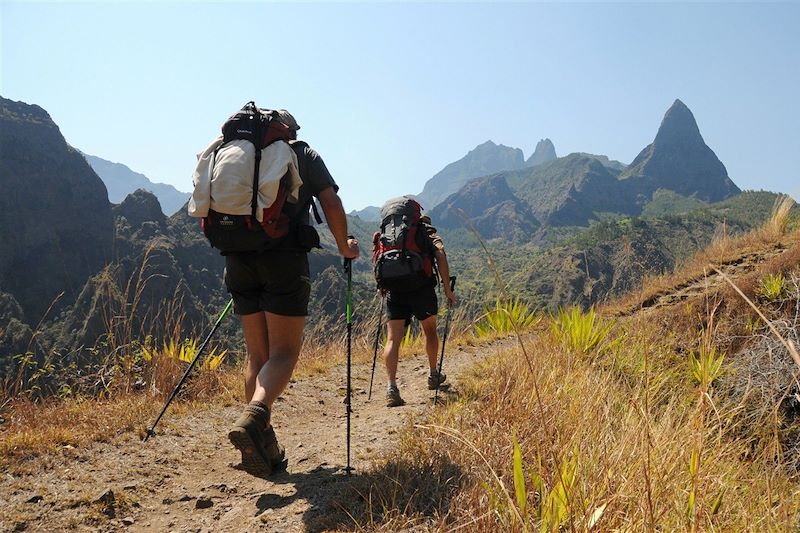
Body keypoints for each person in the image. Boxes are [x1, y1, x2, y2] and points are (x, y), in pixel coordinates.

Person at [225, 109, 359, 477]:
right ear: (290, 130)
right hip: (282, 261)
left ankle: (261, 444)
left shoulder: (239, 153)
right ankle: (255, 416)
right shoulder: (302, 153)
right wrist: (345, 246)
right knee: (283, 355)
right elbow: (330, 202)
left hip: (236, 259)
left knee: (258, 356)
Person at [381, 213, 456, 407]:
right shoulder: (428, 234)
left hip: (395, 289)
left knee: (392, 339)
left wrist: (381, 286)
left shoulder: (390, 235)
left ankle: (391, 387)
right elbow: (440, 254)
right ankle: (433, 374)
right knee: (430, 331)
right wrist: (447, 288)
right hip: (421, 288)